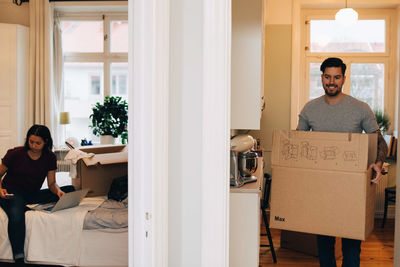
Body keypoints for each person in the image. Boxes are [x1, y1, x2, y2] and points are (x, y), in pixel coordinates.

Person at [297, 57, 388, 267]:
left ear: (344, 79)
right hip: (321, 188)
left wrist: (378, 163)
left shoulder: (360, 108)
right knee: (324, 247)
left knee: (352, 249)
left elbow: (379, 141)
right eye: (327, 77)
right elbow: (298, 143)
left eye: (336, 77)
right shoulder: (310, 109)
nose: (332, 81)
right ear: (321, 78)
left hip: (352, 189)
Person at [0, 124, 75, 266]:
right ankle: (19, 257)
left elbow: (52, 184)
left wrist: (58, 191)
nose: (33, 145)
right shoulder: (15, 154)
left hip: (31, 194)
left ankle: (27, 205)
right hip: (11, 193)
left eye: (37, 143)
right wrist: (0, 189)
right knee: (16, 212)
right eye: (31, 141)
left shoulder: (50, 157)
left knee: (70, 189)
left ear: (46, 141)